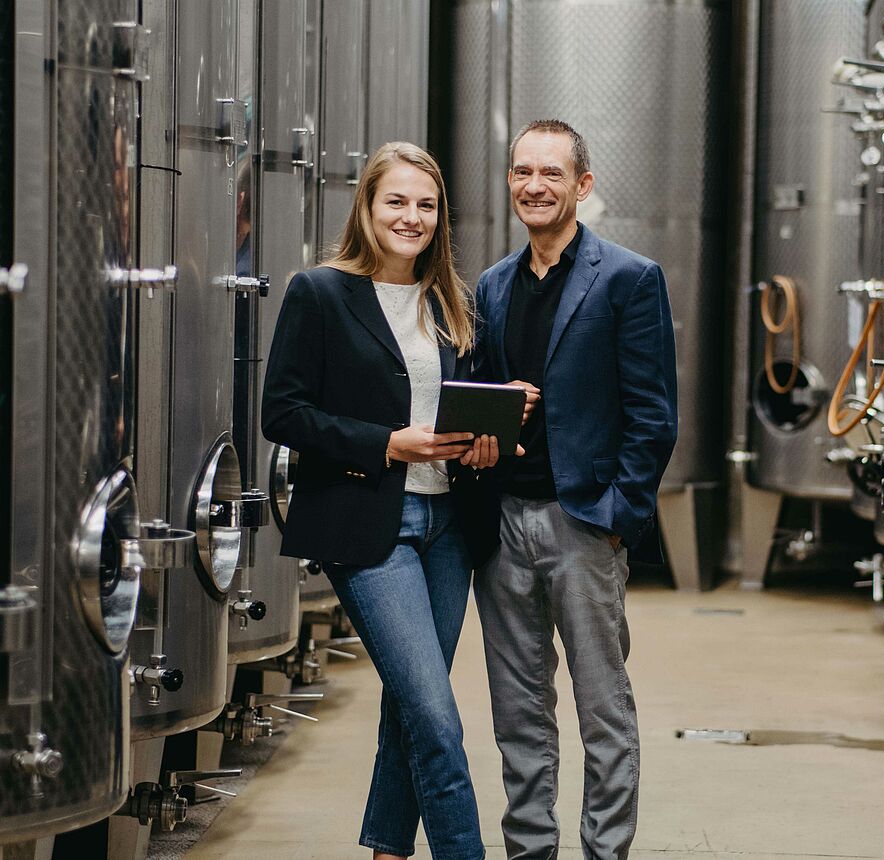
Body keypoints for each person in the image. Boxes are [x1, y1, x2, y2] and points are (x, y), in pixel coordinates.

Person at [262, 141, 500, 860]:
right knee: (435, 716)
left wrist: (490, 430)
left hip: (449, 528)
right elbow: (284, 413)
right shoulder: (320, 291)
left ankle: (387, 852)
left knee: (408, 708)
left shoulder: (452, 300)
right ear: (366, 207)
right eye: (396, 201)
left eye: (426, 205)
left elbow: (461, 403)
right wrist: (386, 443)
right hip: (373, 525)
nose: (412, 217)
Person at [471, 119, 678, 859]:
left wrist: (617, 516)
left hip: (583, 523)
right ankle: (530, 850)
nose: (534, 185)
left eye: (551, 173)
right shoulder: (491, 287)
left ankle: (604, 852)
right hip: (501, 529)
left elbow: (653, 415)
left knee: (602, 711)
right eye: (522, 171)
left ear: (582, 186)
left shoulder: (627, 278)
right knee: (518, 712)